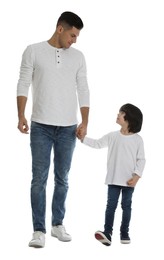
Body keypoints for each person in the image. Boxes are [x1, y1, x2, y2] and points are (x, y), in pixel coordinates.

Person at [17, 11, 90, 248]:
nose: (74, 40)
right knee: (38, 179)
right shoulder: (33, 50)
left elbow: (84, 89)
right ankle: (38, 230)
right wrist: (21, 115)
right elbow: (23, 82)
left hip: (68, 128)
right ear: (60, 29)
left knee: (63, 178)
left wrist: (85, 122)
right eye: (72, 35)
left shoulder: (78, 57)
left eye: (77, 36)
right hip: (40, 126)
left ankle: (57, 224)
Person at [80, 103, 145, 246]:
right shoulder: (113, 136)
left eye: (121, 113)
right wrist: (82, 139)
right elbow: (97, 144)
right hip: (113, 179)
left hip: (129, 181)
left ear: (129, 118)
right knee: (111, 206)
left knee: (126, 206)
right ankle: (107, 233)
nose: (118, 115)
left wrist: (136, 177)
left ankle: (124, 233)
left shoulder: (137, 140)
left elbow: (141, 160)